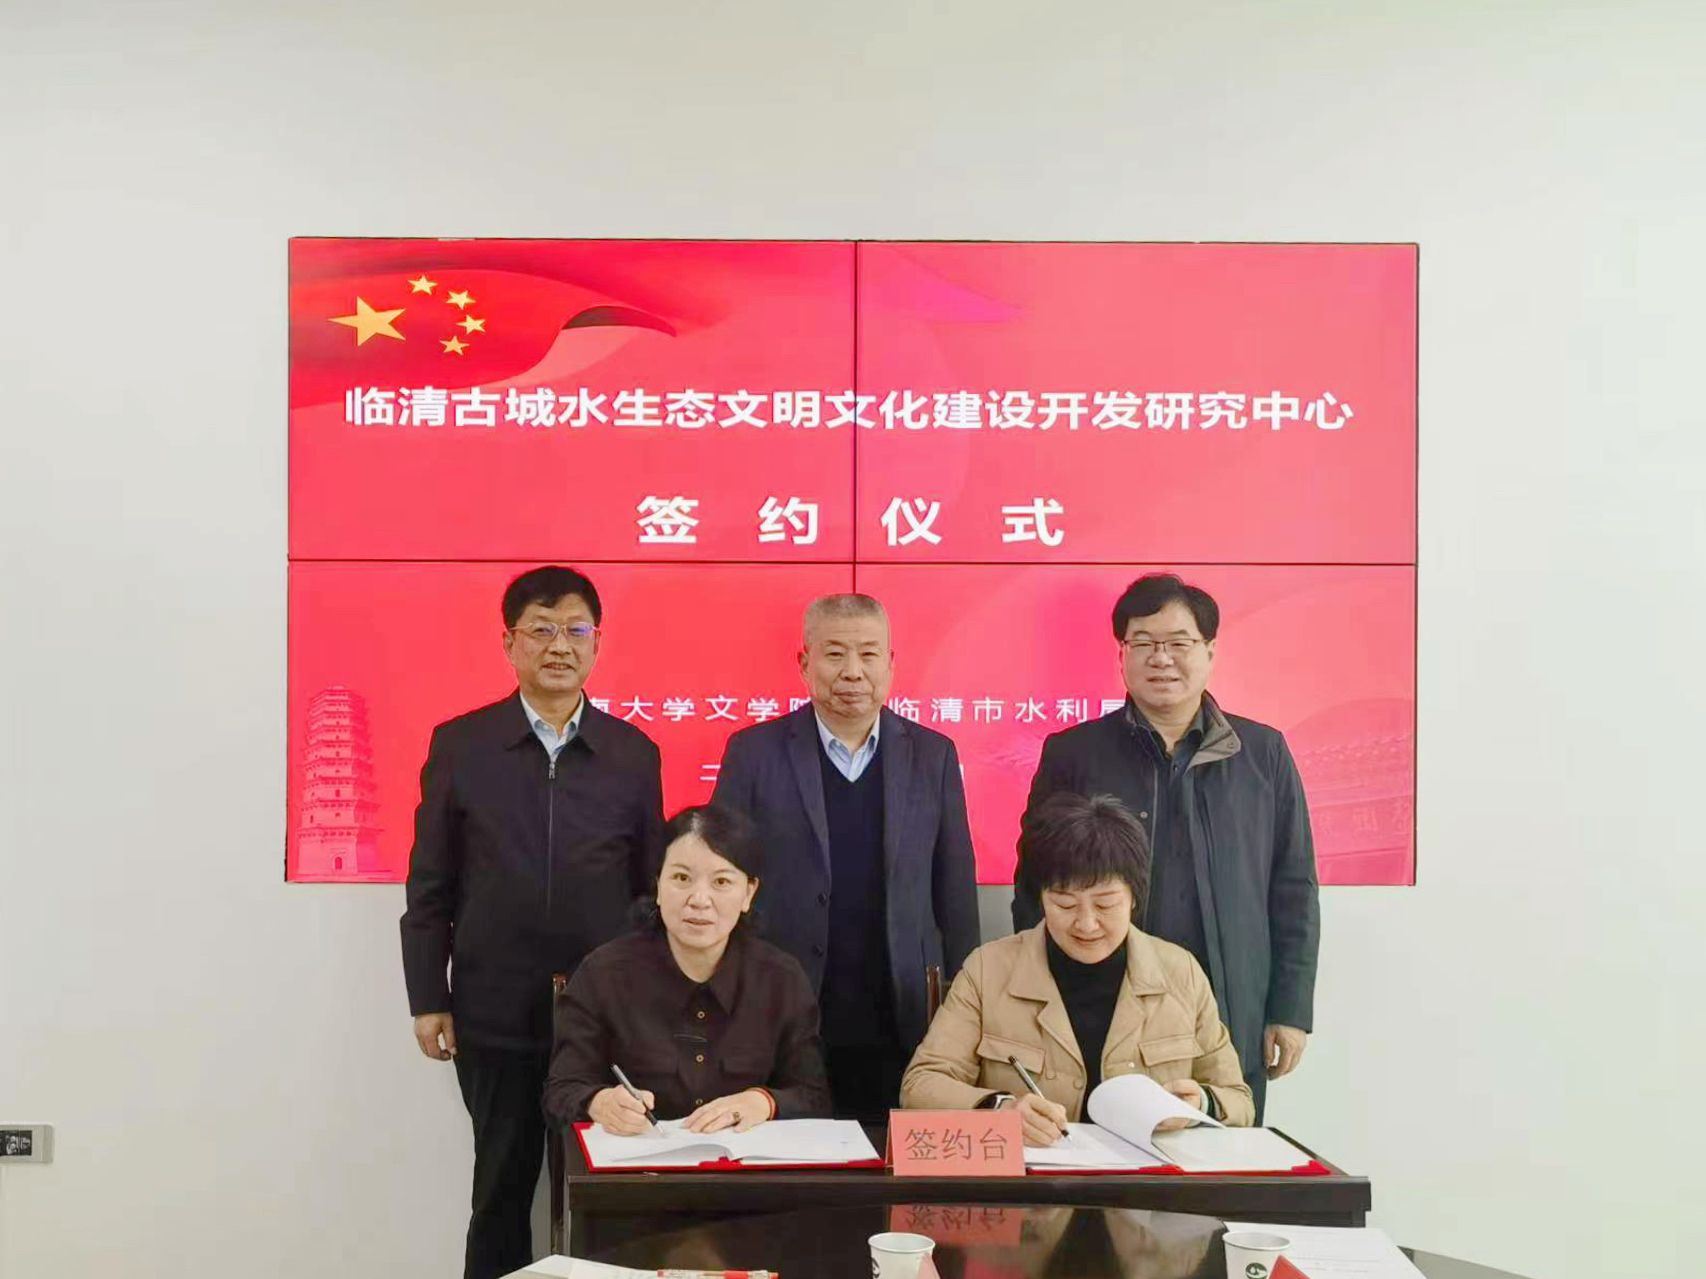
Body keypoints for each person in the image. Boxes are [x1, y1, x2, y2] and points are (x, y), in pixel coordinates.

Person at [400, 565, 664, 1279]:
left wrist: (650, 998)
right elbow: (430, 883)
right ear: (509, 642)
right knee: (501, 1188)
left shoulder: (633, 754)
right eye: (541, 629)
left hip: (605, 1013)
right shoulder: (462, 745)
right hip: (494, 1010)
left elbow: (650, 890)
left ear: (597, 642)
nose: (559, 646)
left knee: (606, 1187)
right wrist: (428, 996)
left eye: (576, 629)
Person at [1010, 573, 1319, 1119]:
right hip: (1101, 1001)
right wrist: (1041, 996)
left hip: (1230, 1002)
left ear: (1209, 651)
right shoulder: (1074, 753)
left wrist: (1289, 1010)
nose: (1161, 658)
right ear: (1122, 655)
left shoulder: (1262, 754)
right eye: (1144, 643)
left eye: (1178, 643)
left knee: (1223, 1143)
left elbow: (1292, 888)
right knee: (1101, 1147)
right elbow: (1035, 884)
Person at [712, 593, 980, 1123]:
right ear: (804, 662)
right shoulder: (754, 753)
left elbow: (953, 886)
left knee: (894, 1158)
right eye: (835, 654)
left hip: (902, 1007)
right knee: (792, 1157)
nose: (853, 671)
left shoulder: (933, 754)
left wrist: (965, 995)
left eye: (869, 654)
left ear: (891, 663)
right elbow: (721, 876)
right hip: (785, 1003)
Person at [903, 793, 1253, 1137]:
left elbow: (1239, 1101)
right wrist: (1000, 1108)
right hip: (1033, 1172)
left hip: (1148, 1173)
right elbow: (920, 1085)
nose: (1086, 924)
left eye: (1105, 905)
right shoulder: (988, 970)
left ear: (1134, 898)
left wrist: (1200, 1104)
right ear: (1041, 899)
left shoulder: (1181, 972)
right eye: (1065, 905)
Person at [544, 805, 831, 1131]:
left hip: (745, 1163)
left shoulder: (782, 980)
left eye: (721, 881)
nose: (699, 899)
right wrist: (599, 1103)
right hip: (638, 1161)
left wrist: (763, 1102)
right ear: (658, 885)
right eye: (681, 878)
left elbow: (814, 1097)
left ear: (748, 893)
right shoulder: (603, 975)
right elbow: (561, 1091)